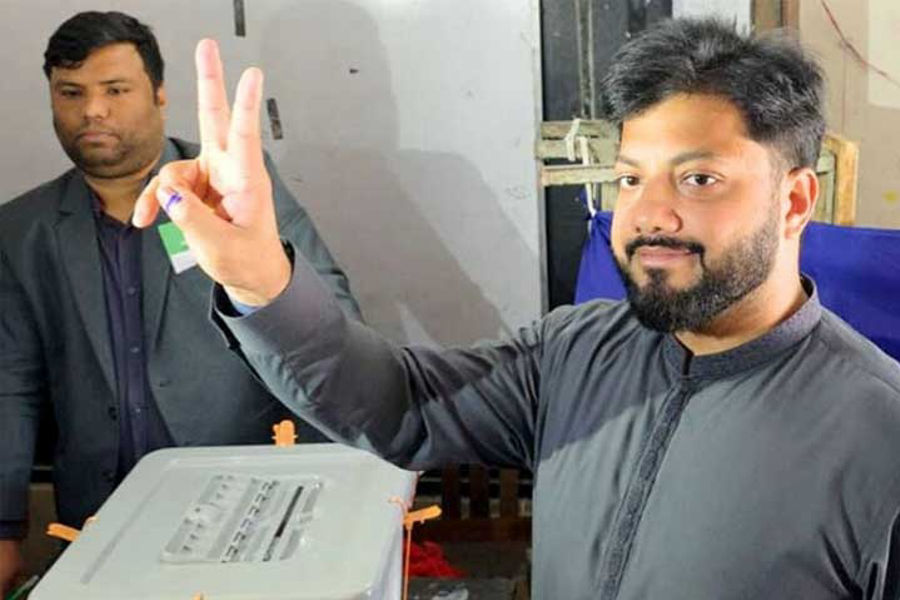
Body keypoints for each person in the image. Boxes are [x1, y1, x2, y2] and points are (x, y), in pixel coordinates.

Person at [135, 19, 900, 599]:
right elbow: (398, 406)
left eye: (698, 179)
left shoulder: (879, 441)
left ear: (794, 200)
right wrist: (258, 277)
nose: (648, 215)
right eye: (630, 178)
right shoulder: (579, 349)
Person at [0, 11, 360, 594]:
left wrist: (339, 493)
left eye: (116, 90)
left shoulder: (228, 187)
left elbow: (330, 328)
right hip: (98, 521)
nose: (93, 110)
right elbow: (9, 385)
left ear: (160, 94)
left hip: (241, 503)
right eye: (71, 93)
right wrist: (4, 528)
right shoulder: (22, 231)